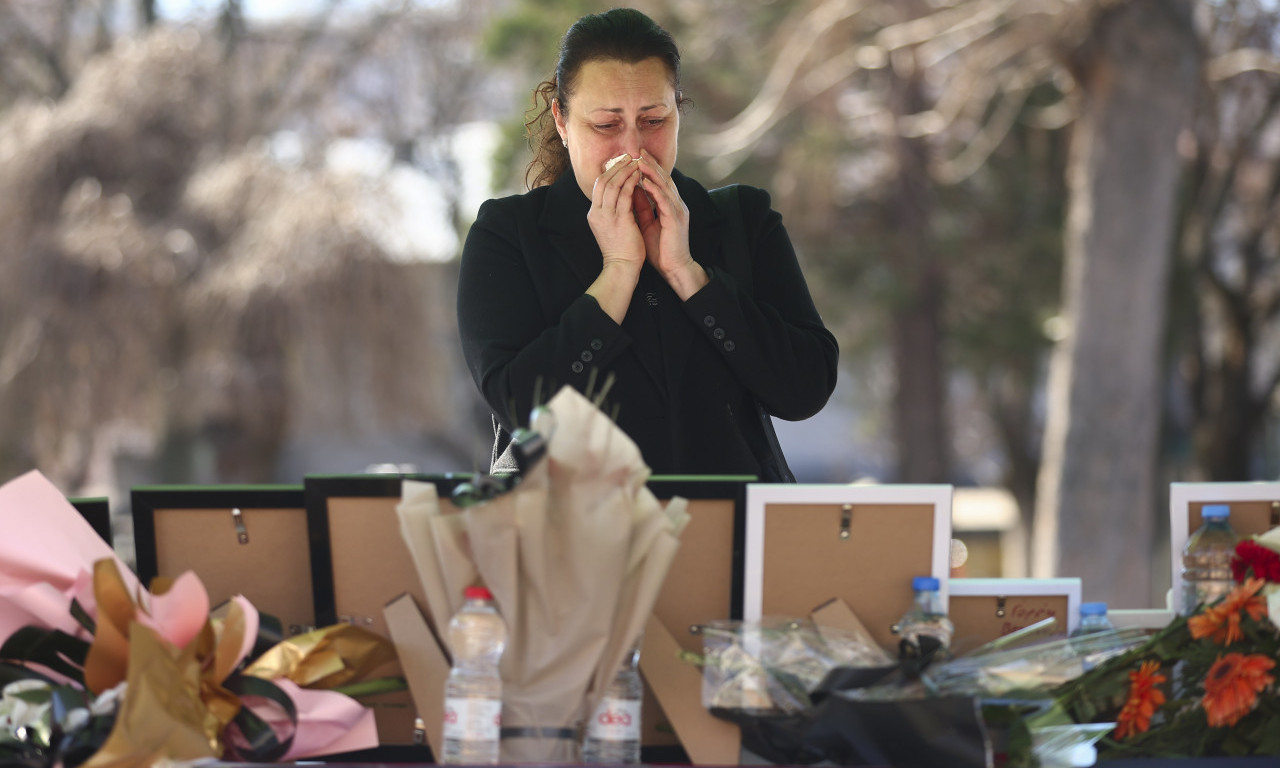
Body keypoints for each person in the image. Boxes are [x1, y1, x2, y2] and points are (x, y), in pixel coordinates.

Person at [457, 7, 838, 480]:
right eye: (606, 125)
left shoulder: (741, 220)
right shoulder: (509, 234)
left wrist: (689, 275)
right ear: (561, 120)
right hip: (564, 536)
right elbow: (522, 408)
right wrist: (617, 271)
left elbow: (804, 389)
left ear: (679, 110)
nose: (633, 149)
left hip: (730, 530)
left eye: (653, 120)